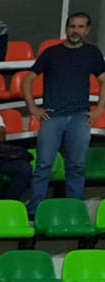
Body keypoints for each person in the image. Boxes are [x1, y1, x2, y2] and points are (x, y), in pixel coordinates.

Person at [25, 13, 105, 214]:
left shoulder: (92, 53)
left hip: (80, 117)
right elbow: (28, 80)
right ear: (66, 28)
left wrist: (100, 109)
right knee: (43, 166)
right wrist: (33, 108)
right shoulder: (51, 53)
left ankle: (74, 211)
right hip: (52, 117)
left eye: (80, 27)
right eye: (72, 26)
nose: (75, 30)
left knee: (76, 166)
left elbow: (104, 80)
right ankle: (35, 211)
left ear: (87, 30)